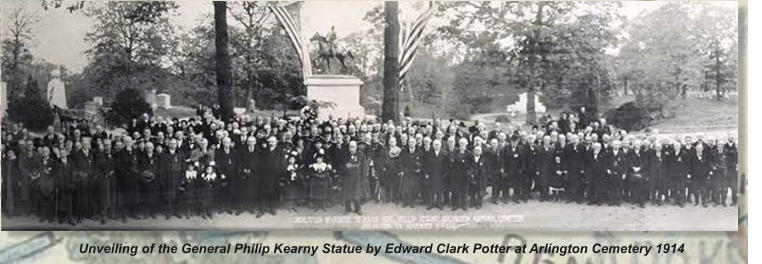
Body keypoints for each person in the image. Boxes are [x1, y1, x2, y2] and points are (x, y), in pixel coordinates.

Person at [340, 141, 367, 214]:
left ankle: (358, 209)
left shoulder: (361, 155)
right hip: (347, 178)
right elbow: (342, 167)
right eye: (350, 147)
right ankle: (347, 208)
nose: (351, 149)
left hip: (357, 178)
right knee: (347, 193)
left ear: (356, 147)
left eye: (353, 147)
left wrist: (363, 179)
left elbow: (364, 168)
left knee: (356, 194)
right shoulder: (345, 155)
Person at [423, 139, 447, 210]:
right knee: (431, 189)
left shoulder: (444, 153)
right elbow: (426, 164)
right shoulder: (429, 153)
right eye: (435, 145)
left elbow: (446, 165)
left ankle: (439, 203)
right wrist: (426, 173)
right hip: (431, 174)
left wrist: (445, 173)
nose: (437, 146)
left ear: (440, 146)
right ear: (433, 146)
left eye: (438, 145)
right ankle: (431, 203)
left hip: (440, 174)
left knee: (439, 189)